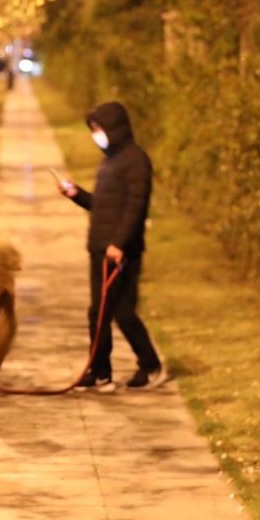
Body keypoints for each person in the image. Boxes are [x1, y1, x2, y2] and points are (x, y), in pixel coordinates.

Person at [56, 100, 165, 392]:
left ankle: (151, 365)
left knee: (123, 312)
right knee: (98, 313)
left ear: (114, 127)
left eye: (98, 128)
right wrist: (76, 194)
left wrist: (119, 243)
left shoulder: (136, 160)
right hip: (100, 249)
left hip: (120, 252)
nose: (96, 135)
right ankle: (100, 371)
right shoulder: (111, 161)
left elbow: (135, 207)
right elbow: (102, 207)